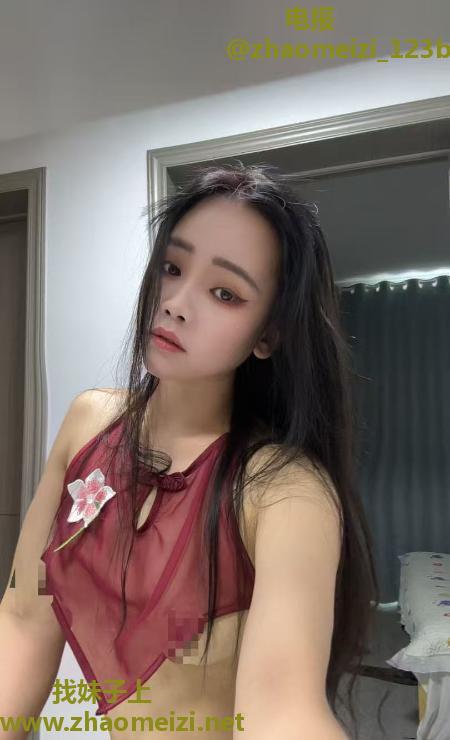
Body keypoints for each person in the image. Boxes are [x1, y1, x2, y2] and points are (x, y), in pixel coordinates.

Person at [0, 162, 379, 739]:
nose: (175, 302)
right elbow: (24, 617)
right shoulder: (89, 422)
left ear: (268, 335)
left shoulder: (284, 490)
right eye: (172, 268)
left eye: (225, 293)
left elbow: (282, 713)